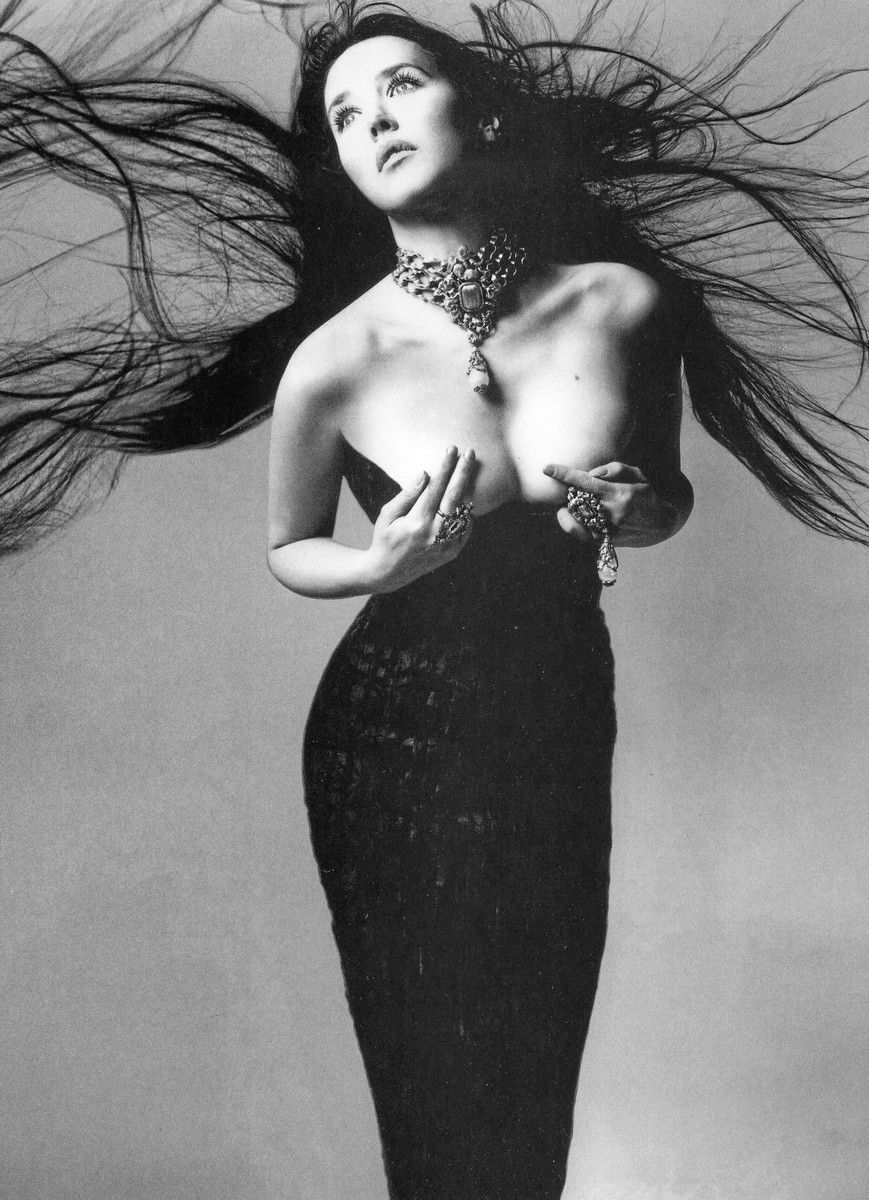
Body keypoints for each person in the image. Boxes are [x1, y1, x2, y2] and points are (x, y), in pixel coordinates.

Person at [0, 2, 866, 1198]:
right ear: (343, 168)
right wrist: (375, 566)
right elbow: (290, 547)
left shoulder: (621, 304)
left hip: (557, 705)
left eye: (400, 86)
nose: (374, 122)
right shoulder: (334, 357)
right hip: (388, 726)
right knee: (428, 1078)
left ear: (483, 110)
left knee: (533, 1053)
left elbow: (663, 497)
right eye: (345, 117)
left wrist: (636, 508)